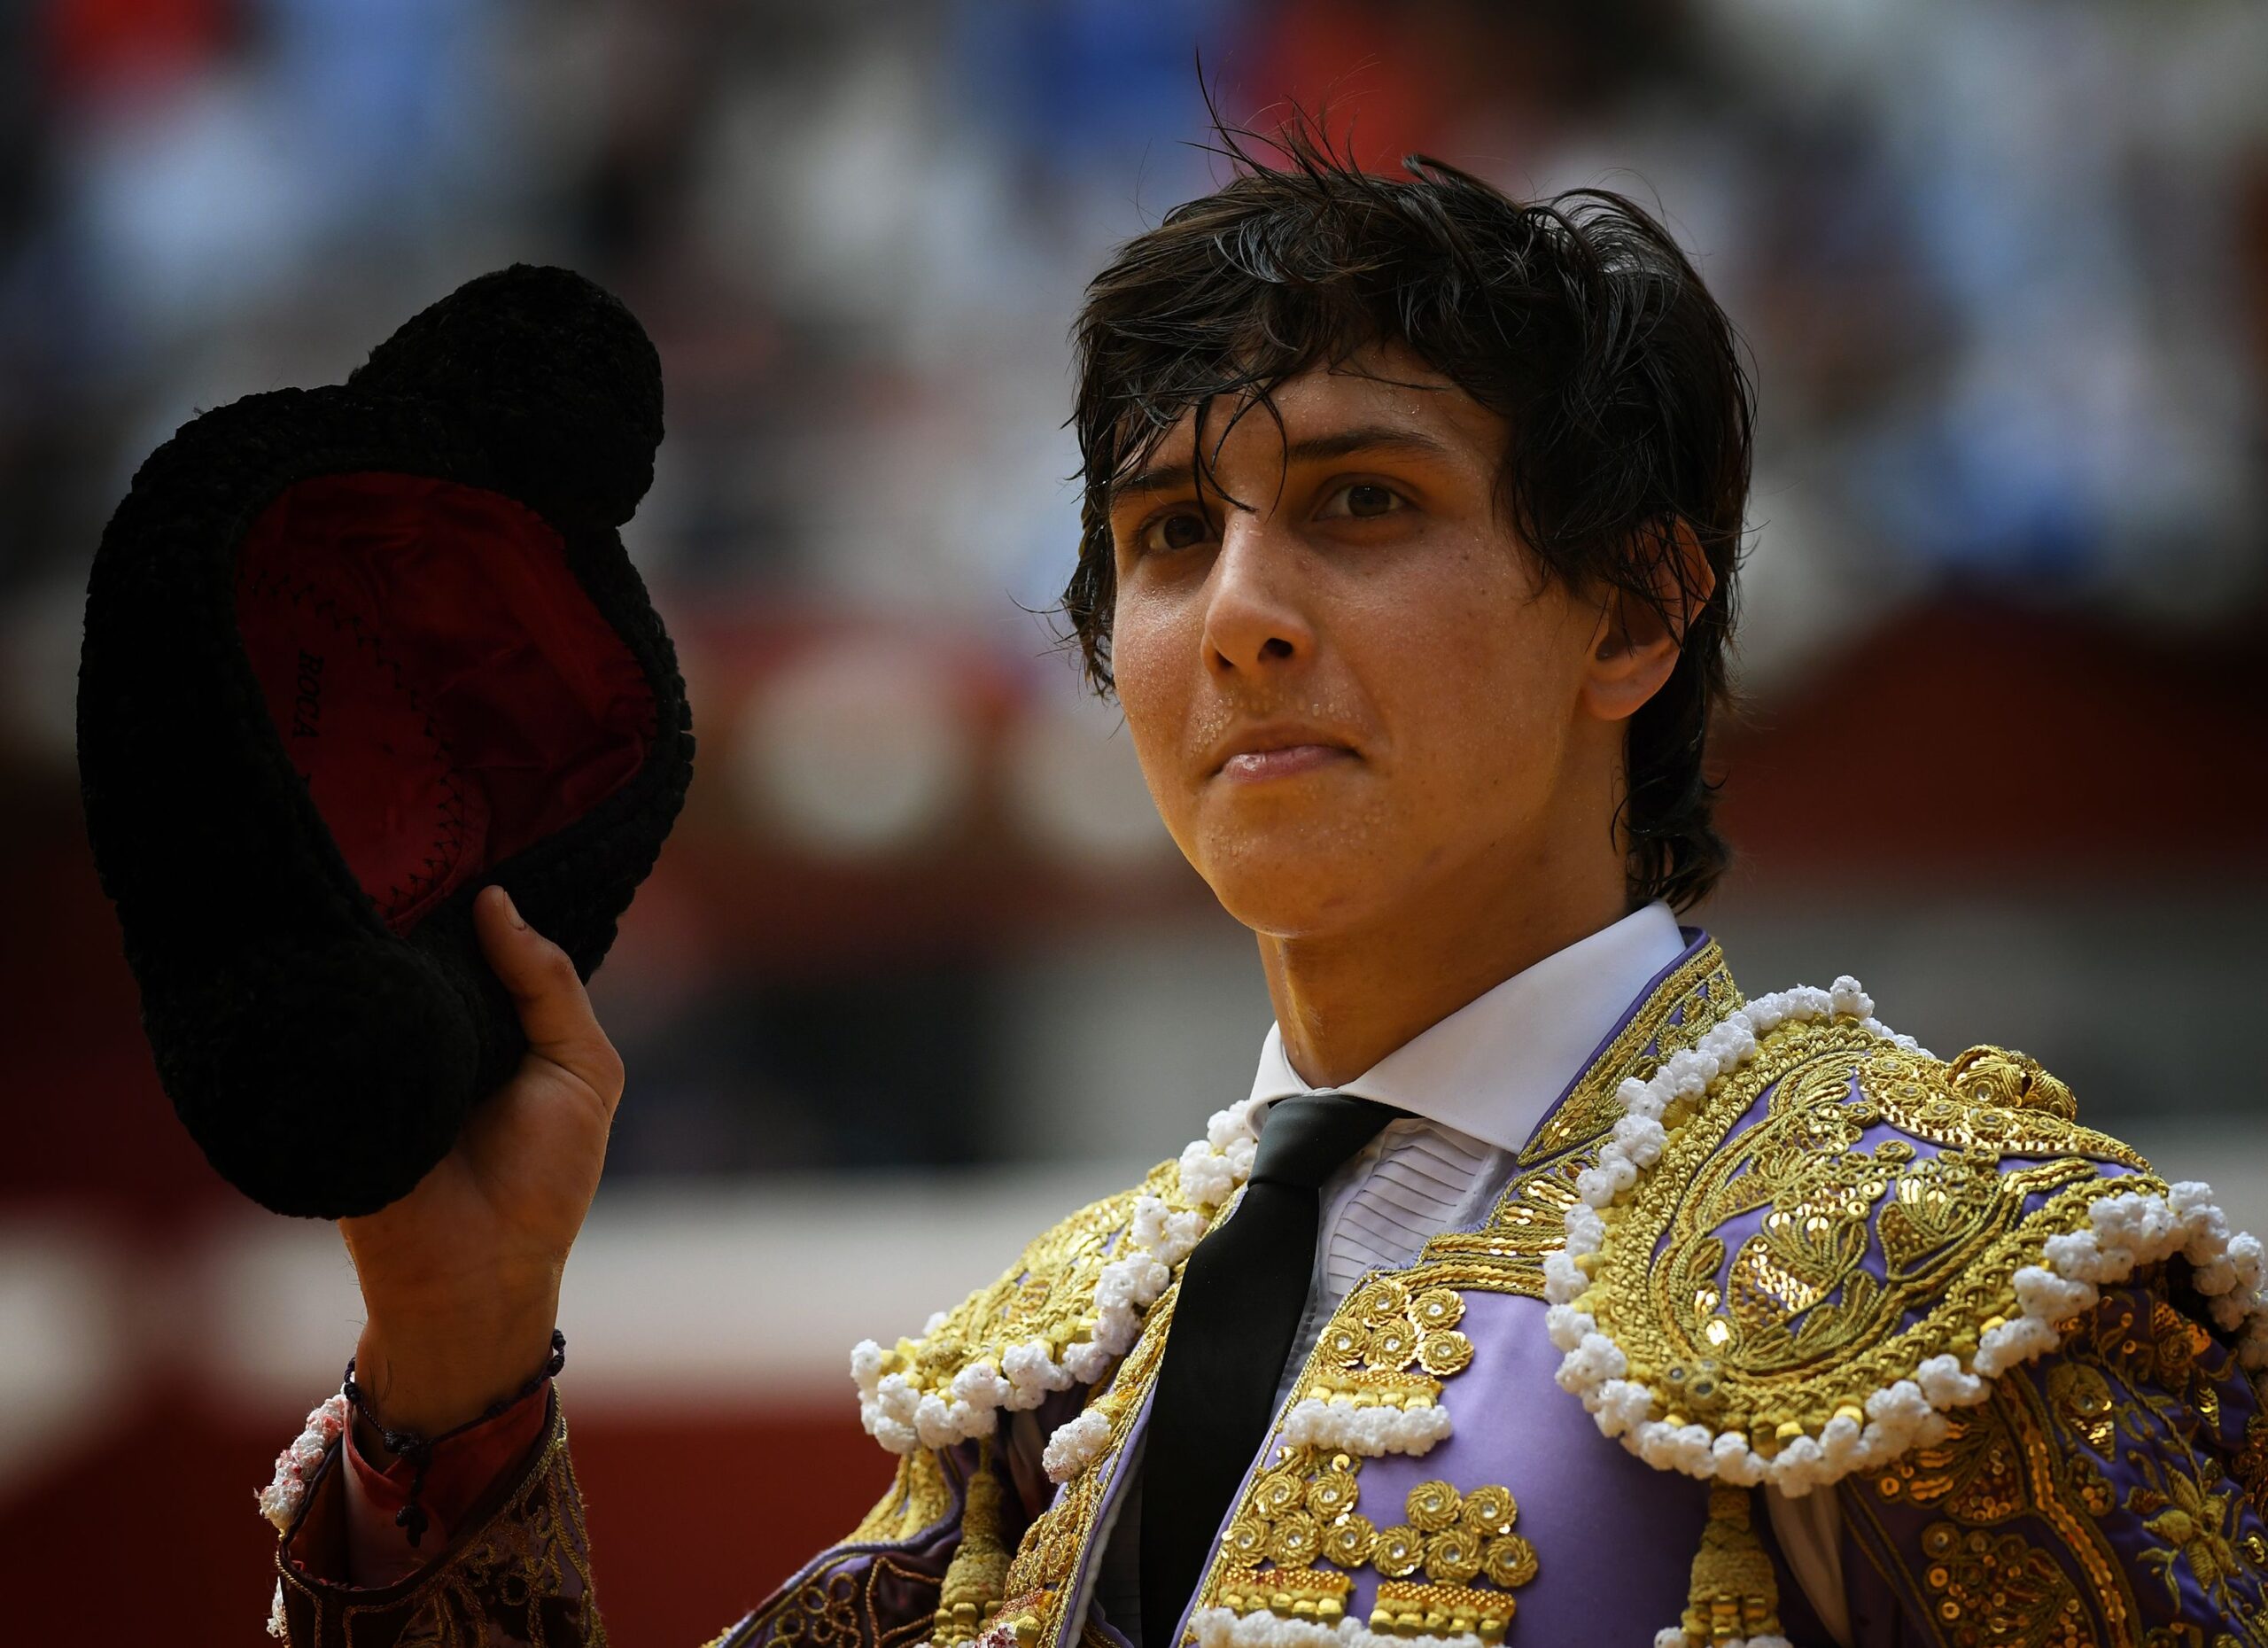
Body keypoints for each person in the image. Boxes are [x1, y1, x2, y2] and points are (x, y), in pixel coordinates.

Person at [260, 118, 2268, 1648]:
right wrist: (458, 1350)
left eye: (1359, 503)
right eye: (1159, 537)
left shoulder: (1927, 1269)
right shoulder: (1044, 1367)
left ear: (1634, 610)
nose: (1235, 617)